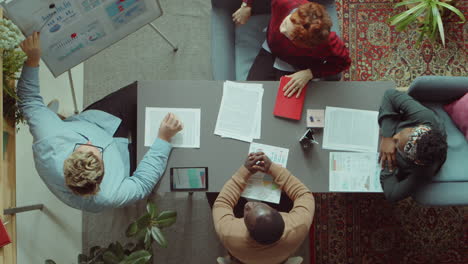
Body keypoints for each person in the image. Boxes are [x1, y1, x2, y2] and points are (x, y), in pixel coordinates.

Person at [18, 33, 183, 212]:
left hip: (96, 123)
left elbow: (29, 100)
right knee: (172, 154)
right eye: (95, 151)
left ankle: (54, 116)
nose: (90, 143)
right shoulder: (108, 197)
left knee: (142, 92)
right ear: (100, 180)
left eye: (82, 146)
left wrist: (32, 59)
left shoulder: (49, 135)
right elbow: (142, 184)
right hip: (121, 157)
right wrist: (163, 138)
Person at [233, 0, 351, 98]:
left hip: (299, 66)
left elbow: (343, 62)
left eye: (289, 35)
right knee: (249, 94)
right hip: (271, 51)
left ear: (307, 45)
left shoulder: (327, 42)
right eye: (285, 23)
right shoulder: (284, 2)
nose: (281, 30)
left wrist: (310, 73)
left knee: (290, 111)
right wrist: (246, 5)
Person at [212, 152, 315, 264]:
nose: (248, 204)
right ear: (279, 212)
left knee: (212, 192)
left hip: (243, 256)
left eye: (247, 212)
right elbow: (304, 195)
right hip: (279, 257)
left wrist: (244, 171)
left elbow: (222, 203)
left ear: (246, 228)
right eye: (257, 206)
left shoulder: (230, 233)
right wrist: (273, 168)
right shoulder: (298, 226)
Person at [378, 89, 448, 202]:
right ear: (417, 127)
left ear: (413, 160)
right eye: (402, 133)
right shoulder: (425, 117)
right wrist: (387, 138)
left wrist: (388, 163)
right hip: (386, 131)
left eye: (398, 144)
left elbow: (392, 194)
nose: (395, 137)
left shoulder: (423, 172)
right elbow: (390, 95)